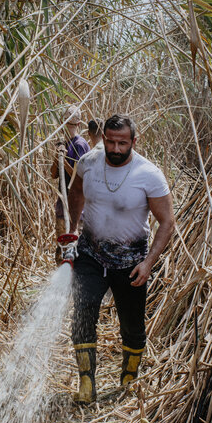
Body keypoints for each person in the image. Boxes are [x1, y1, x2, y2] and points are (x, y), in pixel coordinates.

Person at [64, 114, 175, 403]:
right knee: (83, 312)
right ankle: (86, 383)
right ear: (104, 138)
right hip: (90, 254)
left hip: (131, 262)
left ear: (134, 141)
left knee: (132, 324)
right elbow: (75, 193)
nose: (115, 149)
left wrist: (148, 263)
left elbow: (167, 222)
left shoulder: (149, 175)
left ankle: (128, 378)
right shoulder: (88, 162)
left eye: (122, 143)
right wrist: (71, 232)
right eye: (111, 142)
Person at [50, 105, 90, 254]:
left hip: (77, 210)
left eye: (70, 125)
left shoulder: (80, 145)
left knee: (76, 251)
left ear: (78, 125)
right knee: (62, 249)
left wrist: (65, 160)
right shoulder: (64, 143)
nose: (68, 128)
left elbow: (80, 178)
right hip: (63, 205)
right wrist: (58, 156)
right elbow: (53, 174)